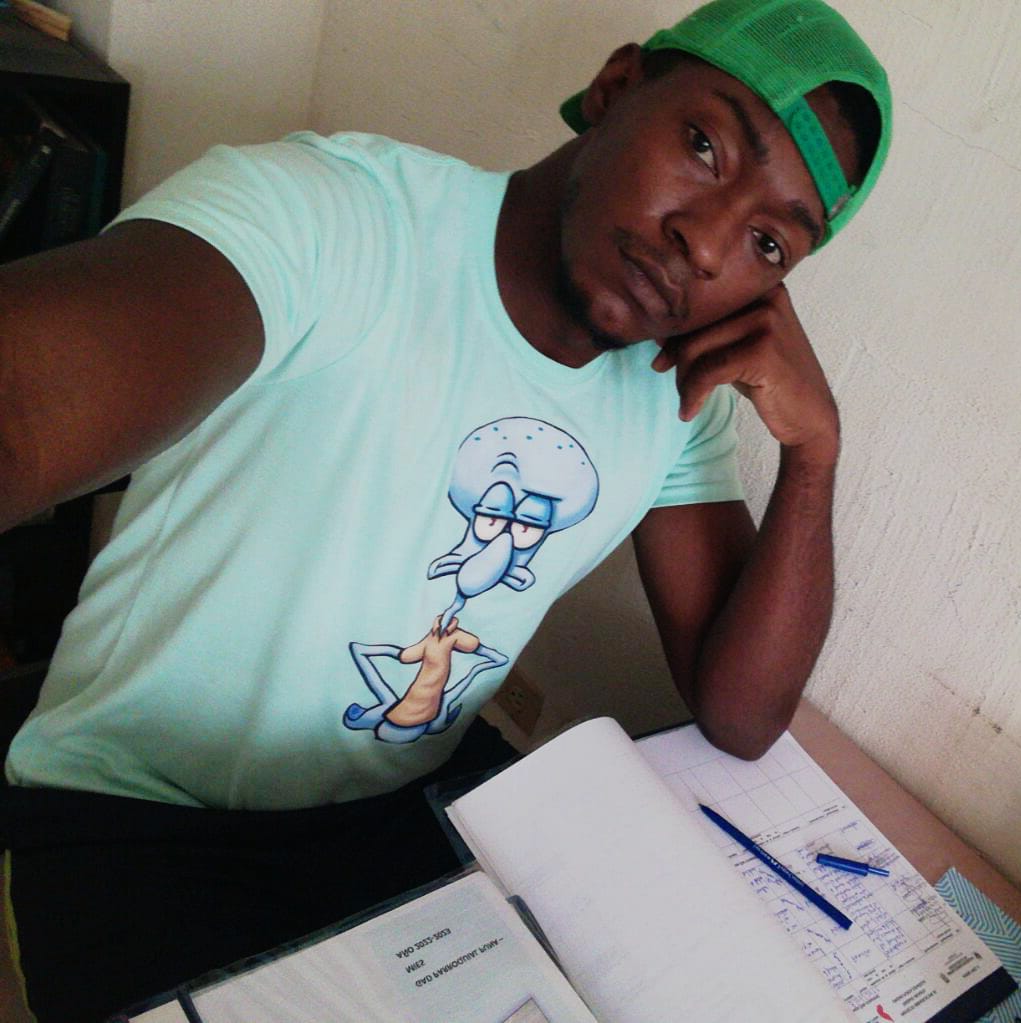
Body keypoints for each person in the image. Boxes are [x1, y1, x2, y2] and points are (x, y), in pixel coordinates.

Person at [0, 0, 891, 1018]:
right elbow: (22, 413)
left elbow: (741, 714)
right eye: (702, 146)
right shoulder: (334, 216)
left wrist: (814, 456)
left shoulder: (672, 396)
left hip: (393, 811)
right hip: (134, 813)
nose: (705, 245)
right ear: (616, 87)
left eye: (769, 244)